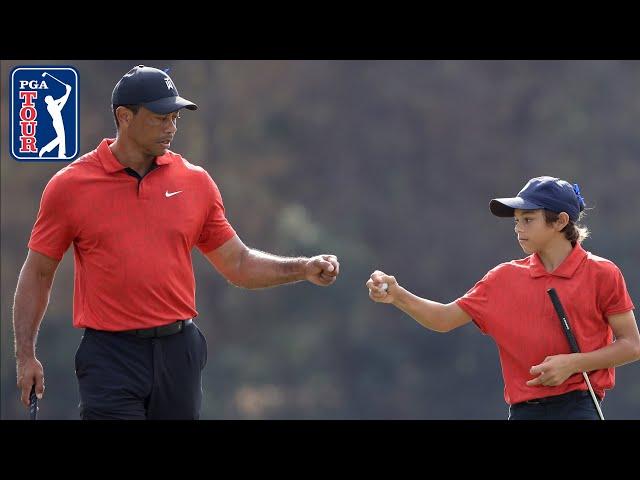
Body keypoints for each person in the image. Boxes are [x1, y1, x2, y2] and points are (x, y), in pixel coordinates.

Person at [13, 65, 340, 420]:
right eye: (159, 118)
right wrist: (25, 355)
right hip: (110, 356)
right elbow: (38, 274)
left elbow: (239, 264)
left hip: (178, 352)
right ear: (124, 117)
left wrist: (303, 267)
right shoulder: (70, 187)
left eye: (174, 118)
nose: (171, 128)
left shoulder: (195, 182)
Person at [366, 176, 640, 419]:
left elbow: (631, 345)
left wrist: (573, 364)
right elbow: (443, 319)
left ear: (560, 221)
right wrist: (398, 295)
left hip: (578, 407)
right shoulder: (502, 278)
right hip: (523, 411)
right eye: (517, 220)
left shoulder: (602, 273)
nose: (518, 227)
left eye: (528, 219)